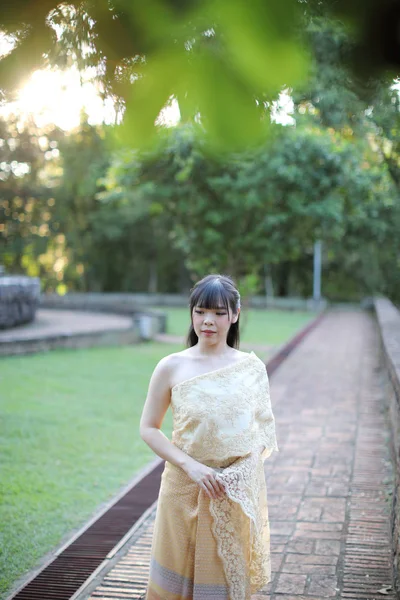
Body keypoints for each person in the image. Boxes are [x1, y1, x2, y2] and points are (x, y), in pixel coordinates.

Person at [140, 273, 279, 600]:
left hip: (229, 493)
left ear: (235, 314)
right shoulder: (171, 366)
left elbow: (263, 433)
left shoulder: (250, 368)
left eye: (218, 313)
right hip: (182, 487)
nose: (209, 321)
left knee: (221, 584)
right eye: (201, 311)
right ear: (191, 313)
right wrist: (193, 467)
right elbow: (148, 427)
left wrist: (235, 474)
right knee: (175, 576)